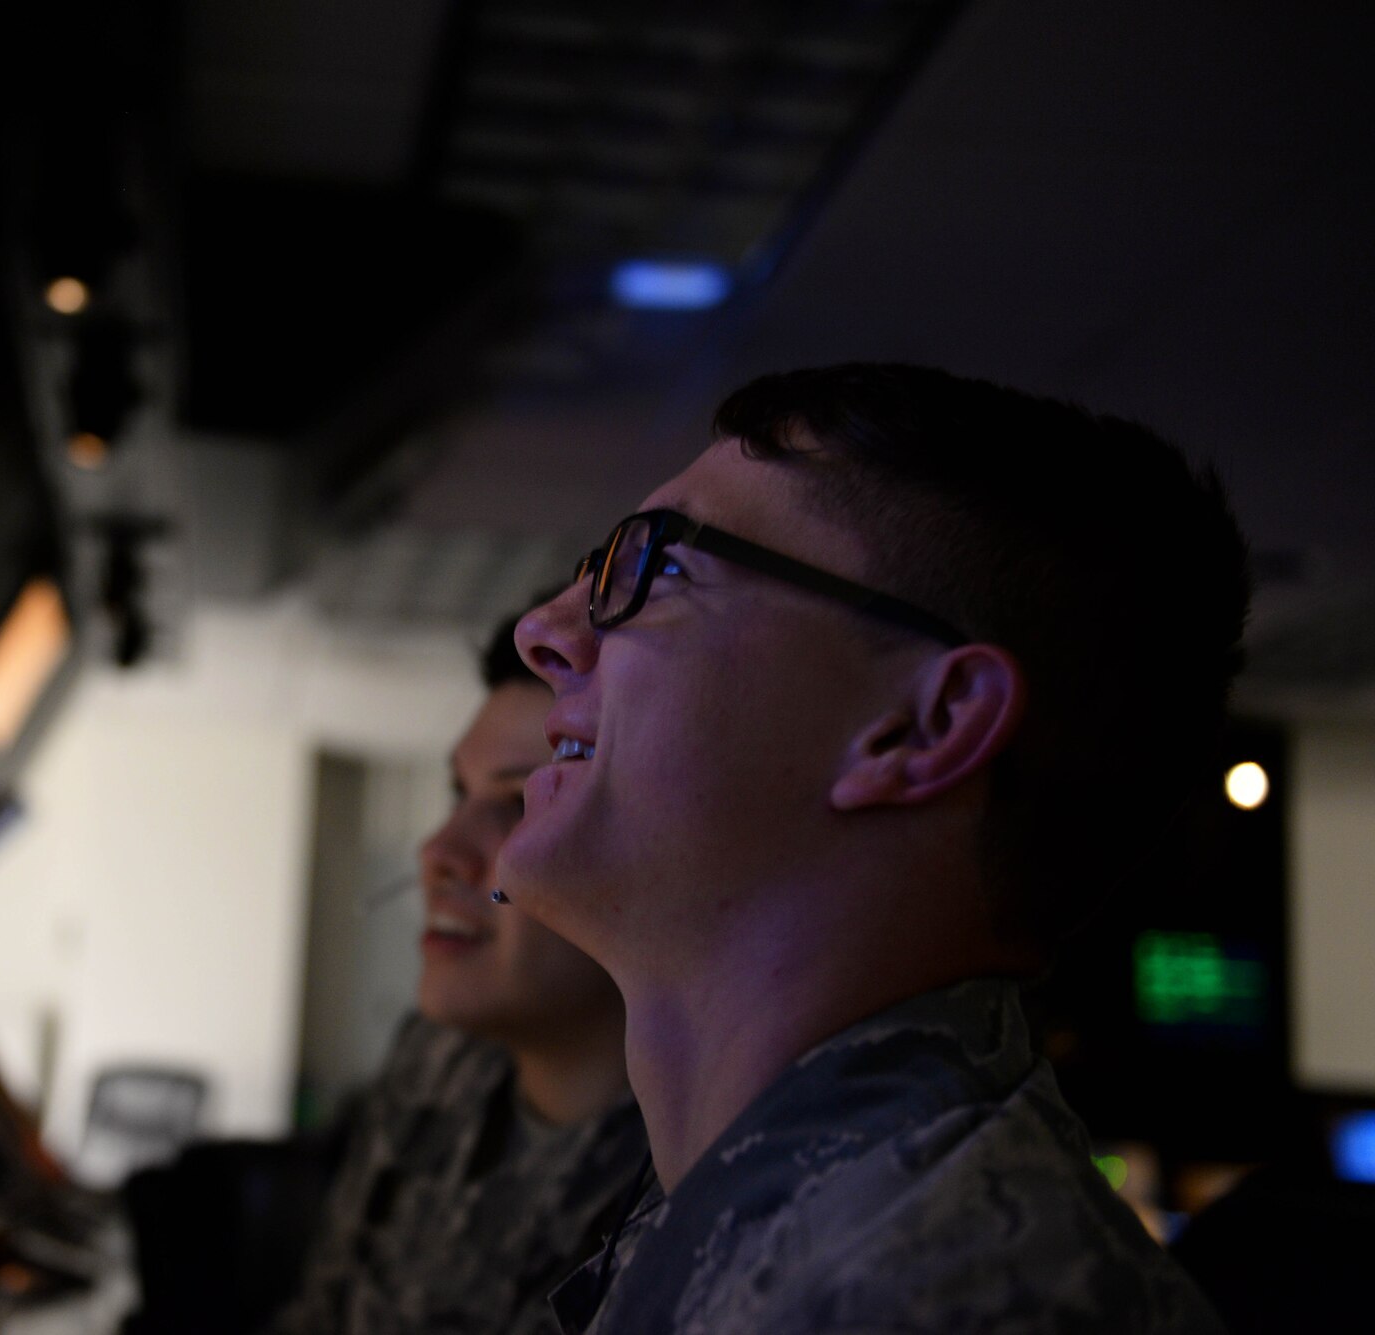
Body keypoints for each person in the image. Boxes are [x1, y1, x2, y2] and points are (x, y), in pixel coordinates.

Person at [498, 364, 1247, 1334]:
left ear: (920, 729)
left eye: (657, 565)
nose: (543, 632)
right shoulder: (769, 1193)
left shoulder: (953, 1295)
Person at [264, 614, 651, 1335]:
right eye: (458, 795)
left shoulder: (700, 1184)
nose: (438, 851)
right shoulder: (437, 1057)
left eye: (518, 800)